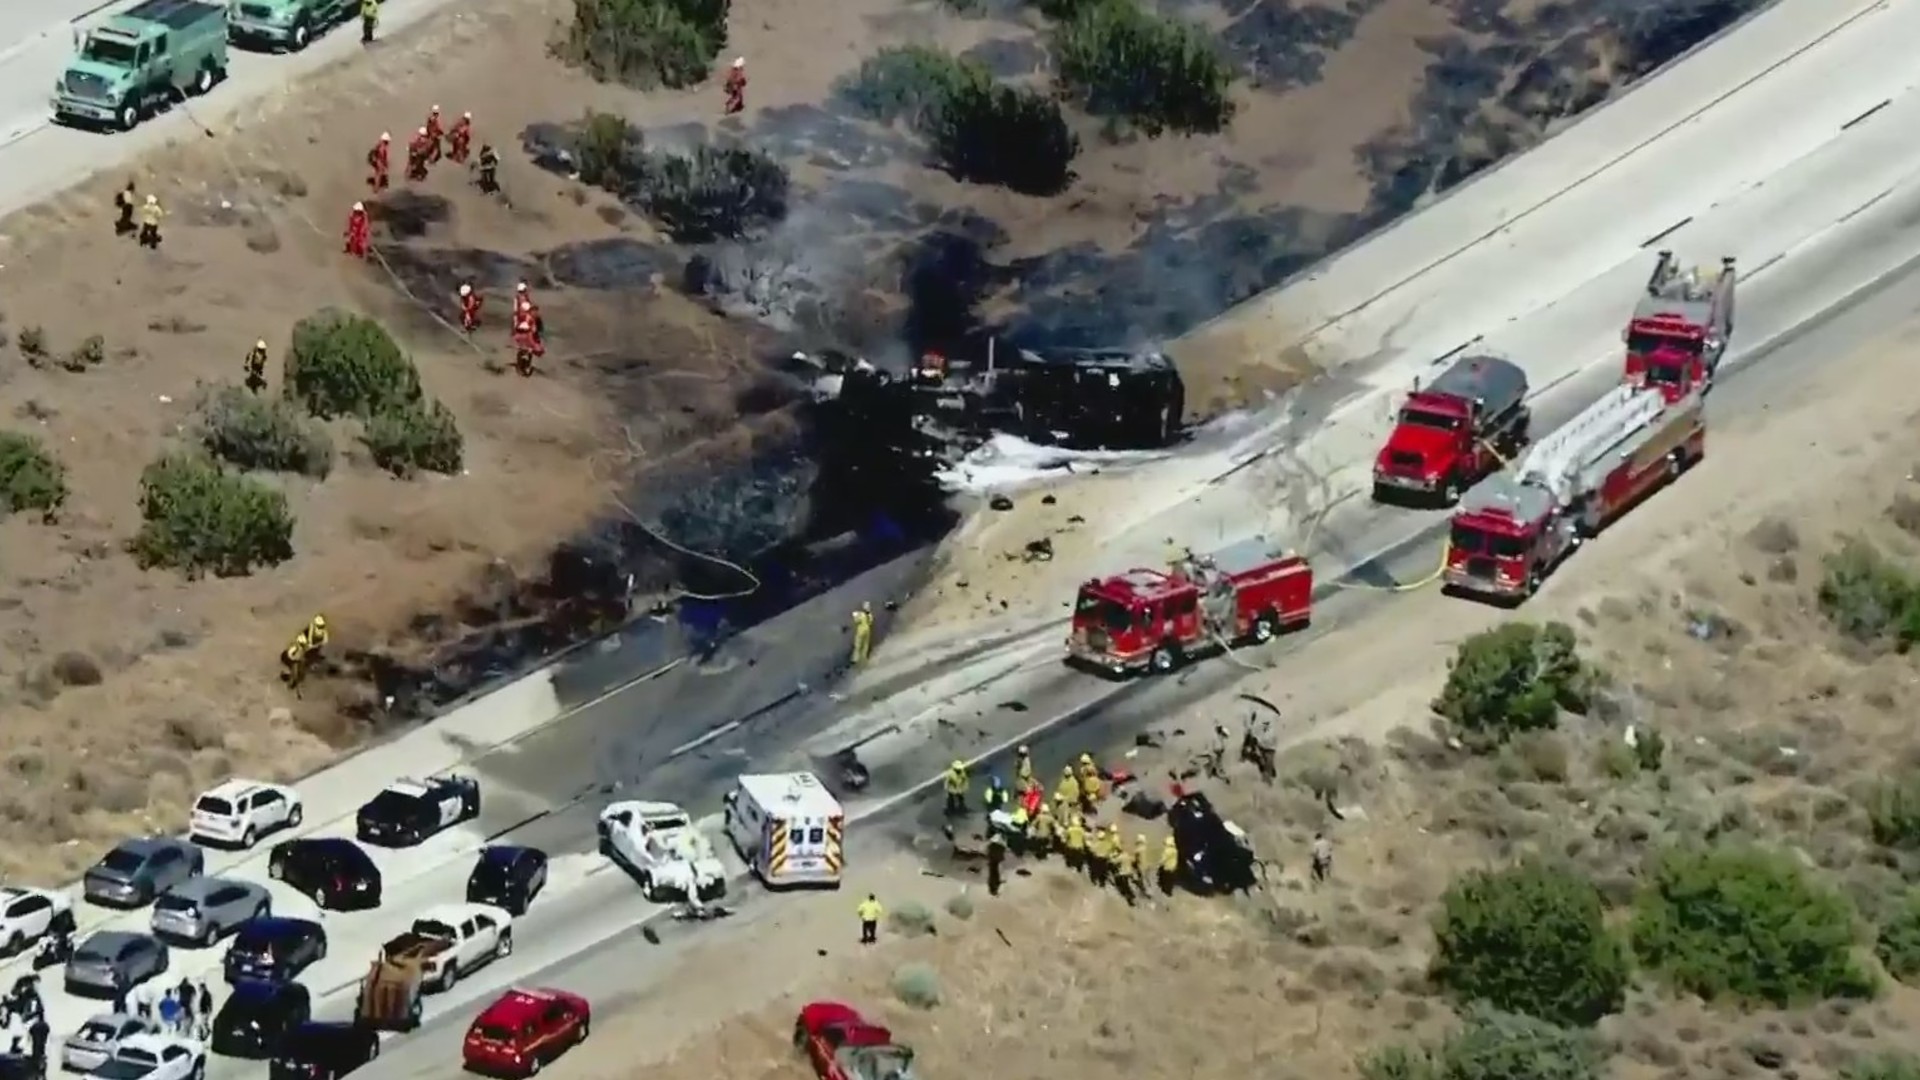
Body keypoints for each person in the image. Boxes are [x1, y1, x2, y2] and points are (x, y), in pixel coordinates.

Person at [850, 601, 874, 665]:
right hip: (867, 631)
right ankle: (864, 657)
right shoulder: (870, 615)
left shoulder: (860, 614)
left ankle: (855, 659)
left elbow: (857, 621)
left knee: (858, 645)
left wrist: (855, 616)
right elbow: (871, 622)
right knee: (866, 645)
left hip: (860, 631)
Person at [985, 828, 1006, 897]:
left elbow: (994, 878)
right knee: (994, 866)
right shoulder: (991, 884)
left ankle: (999, 833)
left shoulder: (992, 884)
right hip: (994, 856)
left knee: (994, 866)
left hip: (994, 856)